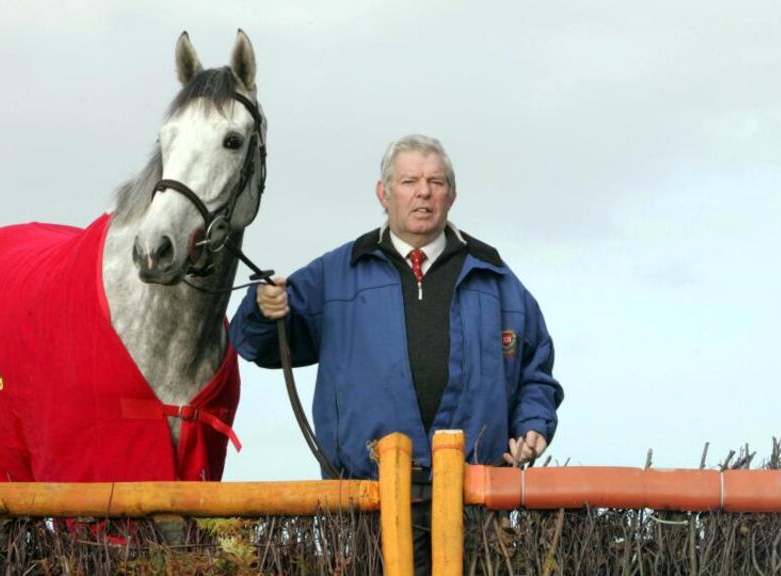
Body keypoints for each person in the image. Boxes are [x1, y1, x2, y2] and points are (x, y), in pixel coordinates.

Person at [229, 134, 563, 573]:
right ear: (383, 194)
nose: (423, 192)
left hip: (475, 506)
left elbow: (536, 373)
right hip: (363, 507)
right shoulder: (337, 273)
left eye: (435, 182)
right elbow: (257, 343)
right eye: (408, 181)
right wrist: (261, 307)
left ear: (452, 196)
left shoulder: (497, 280)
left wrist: (533, 427)